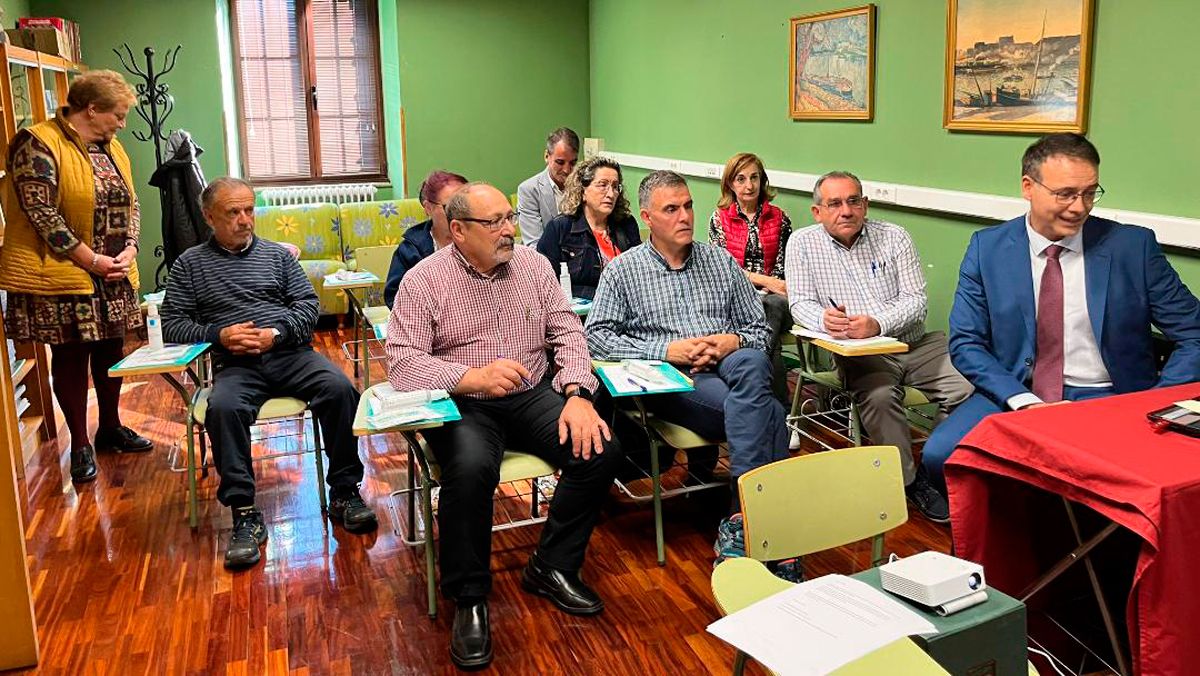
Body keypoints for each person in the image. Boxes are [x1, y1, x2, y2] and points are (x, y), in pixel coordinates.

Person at [386, 183, 621, 670]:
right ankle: (469, 597)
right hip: (465, 401)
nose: (508, 229)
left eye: (509, 217)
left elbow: (568, 333)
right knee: (471, 470)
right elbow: (402, 363)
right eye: (493, 222)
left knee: (599, 450)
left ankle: (551, 566)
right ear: (458, 230)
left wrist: (577, 393)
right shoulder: (423, 280)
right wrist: (470, 376)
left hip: (530, 392)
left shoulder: (533, 267)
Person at [923, 133, 1200, 490]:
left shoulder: (1132, 246)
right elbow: (966, 342)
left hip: (1111, 397)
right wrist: (1022, 401)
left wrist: (1153, 400)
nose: (1080, 207)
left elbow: (1194, 333)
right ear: (1028, 186)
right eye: (1065, 194)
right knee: (941, 457)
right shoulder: (987, 248)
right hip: (1017, 391)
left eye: (1090, 193)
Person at [161, 177, 377, 570]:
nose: (245, 220)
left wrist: (276, 334)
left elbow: (308, 306)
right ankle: (245, 513)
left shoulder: (277, 256)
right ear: (209, 217)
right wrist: (219, 335)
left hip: (289, 354)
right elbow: (172, 324)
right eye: (233, 212)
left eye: (249, 210)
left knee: (341, 388)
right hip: (236, 364)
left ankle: (345, 492)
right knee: (223, 409)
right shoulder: (190, 265)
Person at [585, 170, 789, 567]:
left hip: (729, 362)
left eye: (689, 206)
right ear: (647, 217)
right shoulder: (624, 271)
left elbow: (759, 329)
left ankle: (744, 520)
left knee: (751, 359)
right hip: (676, 378)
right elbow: (597, 338)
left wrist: (733, 340)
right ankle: (762, 523)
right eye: (671, 209)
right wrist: (667, 350)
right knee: (772, 412)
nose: (685, 217)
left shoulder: (718, 261)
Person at [786, 171, 972, 523]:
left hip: (913, 343)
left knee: (970, 386)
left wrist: (878, 323)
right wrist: (825, 320)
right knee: (881, 397)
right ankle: (909, 481)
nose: (846, 210)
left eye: (854, 201)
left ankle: (938, 465)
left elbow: (917, 301)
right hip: (860, 355)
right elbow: (800, 304)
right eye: (835, 204)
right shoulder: (802, 244)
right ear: (817, 212)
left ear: (865, 205)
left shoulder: (894, 237)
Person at [0, 70, 152, 483]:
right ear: (91, 109)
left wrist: (132, 247)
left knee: (110, 350)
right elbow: (41, 213)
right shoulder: (37, 143)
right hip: (65, 273)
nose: (122, 124)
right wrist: (91, 260)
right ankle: (80, 444)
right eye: (117, 115)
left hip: (113, 272)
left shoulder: (112, 148)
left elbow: (132, 202)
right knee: (70, 354)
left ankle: (110, 428)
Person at [709, 152, 794, 403]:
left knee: (769, 309)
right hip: (735, 297)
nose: (749, 185)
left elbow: (783, 271)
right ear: (730, 184)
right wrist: (765, 282)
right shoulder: (719, 219)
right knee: (772, 344)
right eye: (741, 179)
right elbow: (724, 269)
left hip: (776, 300)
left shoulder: (780, 217)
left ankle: (759, 401)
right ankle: (781, 412)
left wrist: (770, 286)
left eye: (755, 178)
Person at [536, 156, 641, 300]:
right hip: (579, 315)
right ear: (582, 190)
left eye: (615, 187)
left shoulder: (625, 224)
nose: (611, 194)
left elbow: (639, 273)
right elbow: (545, 283)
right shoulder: (560, 228)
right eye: (602, 185)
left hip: (625, 311)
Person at [382, 169, 467, 307]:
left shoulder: (479, 239)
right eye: (450, 207)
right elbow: (393, 296)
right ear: (428, 208)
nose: (460, 213)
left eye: (466, 206)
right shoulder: (410, 249)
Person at [517, 127, 579, 248]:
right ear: (547, 156)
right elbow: (534, 244)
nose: (567, 170)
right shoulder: (529, 190)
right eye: (560, 162)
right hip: (543, 260)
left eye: (572, 163)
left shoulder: (584, 187)